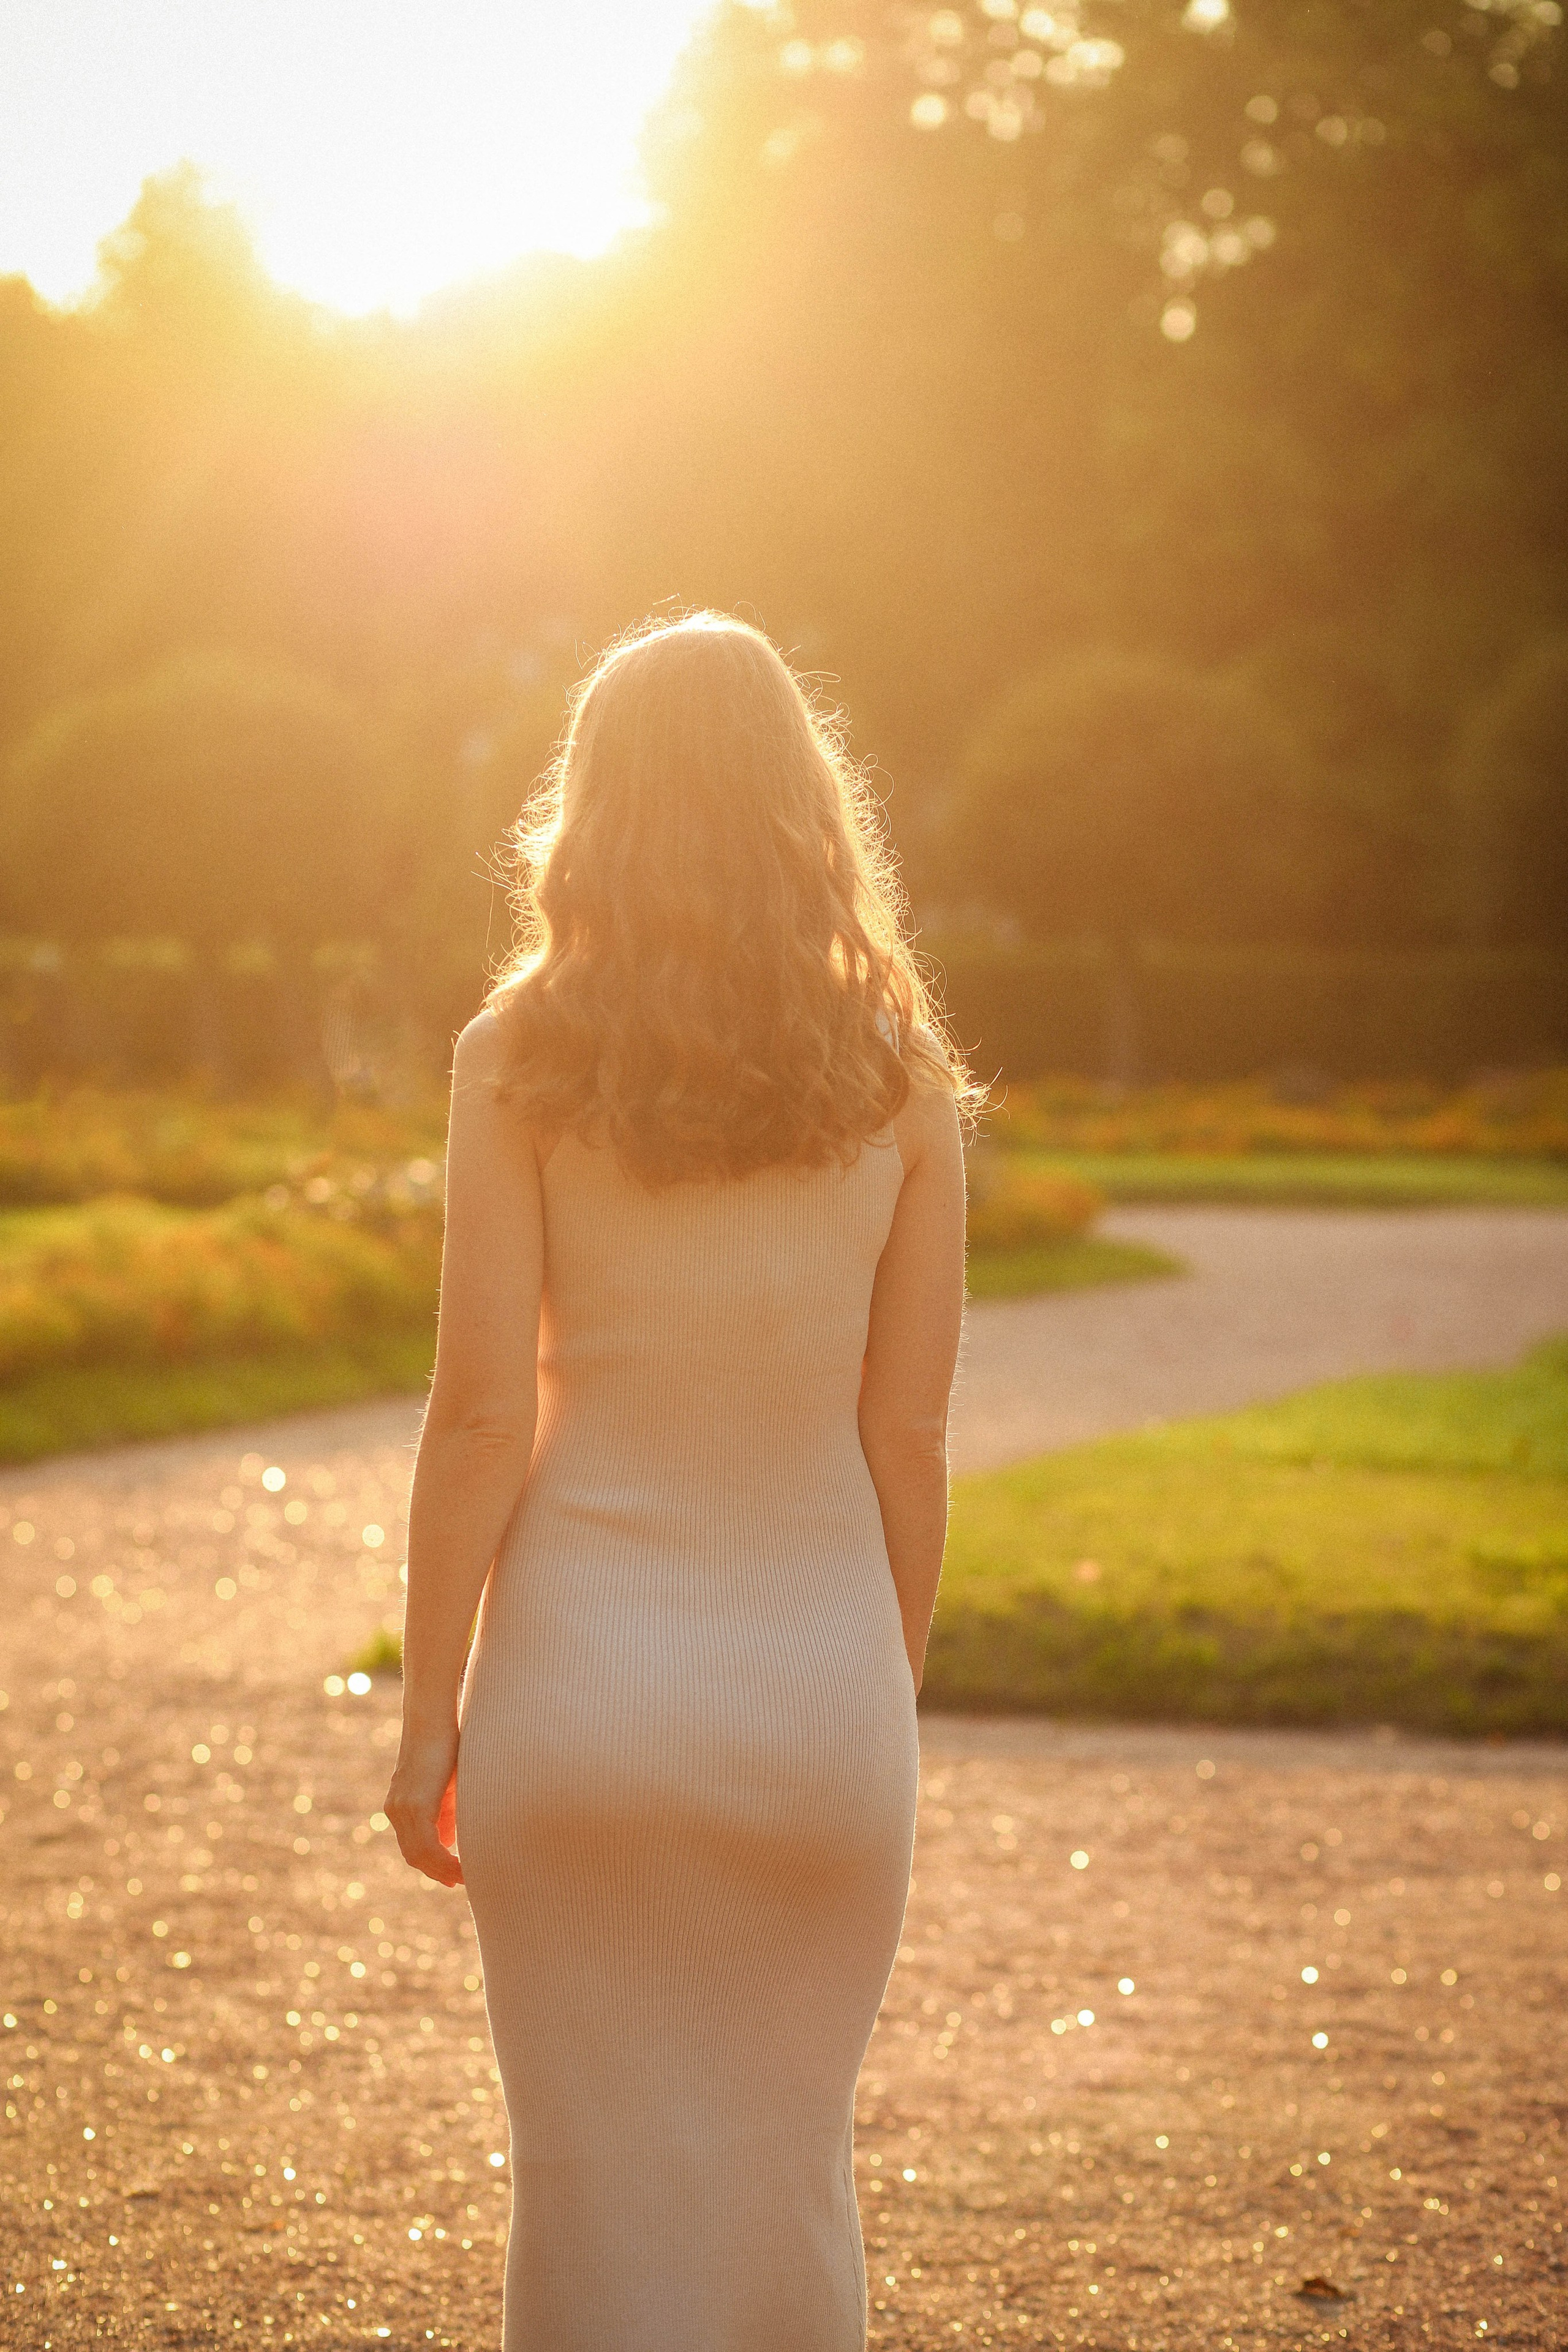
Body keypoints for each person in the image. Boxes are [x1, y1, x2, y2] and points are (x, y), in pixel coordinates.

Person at [384, 611, 971, 2349]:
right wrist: (881, 1678)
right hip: (813, 1695)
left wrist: (432, 1719)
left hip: (577, 1700)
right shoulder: (906, 1076)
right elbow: (911, 1438)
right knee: (783, 2185)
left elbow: (482, 1416)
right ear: (809, 803)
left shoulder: (521, 1054)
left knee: (592, 2200)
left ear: (598, 807)